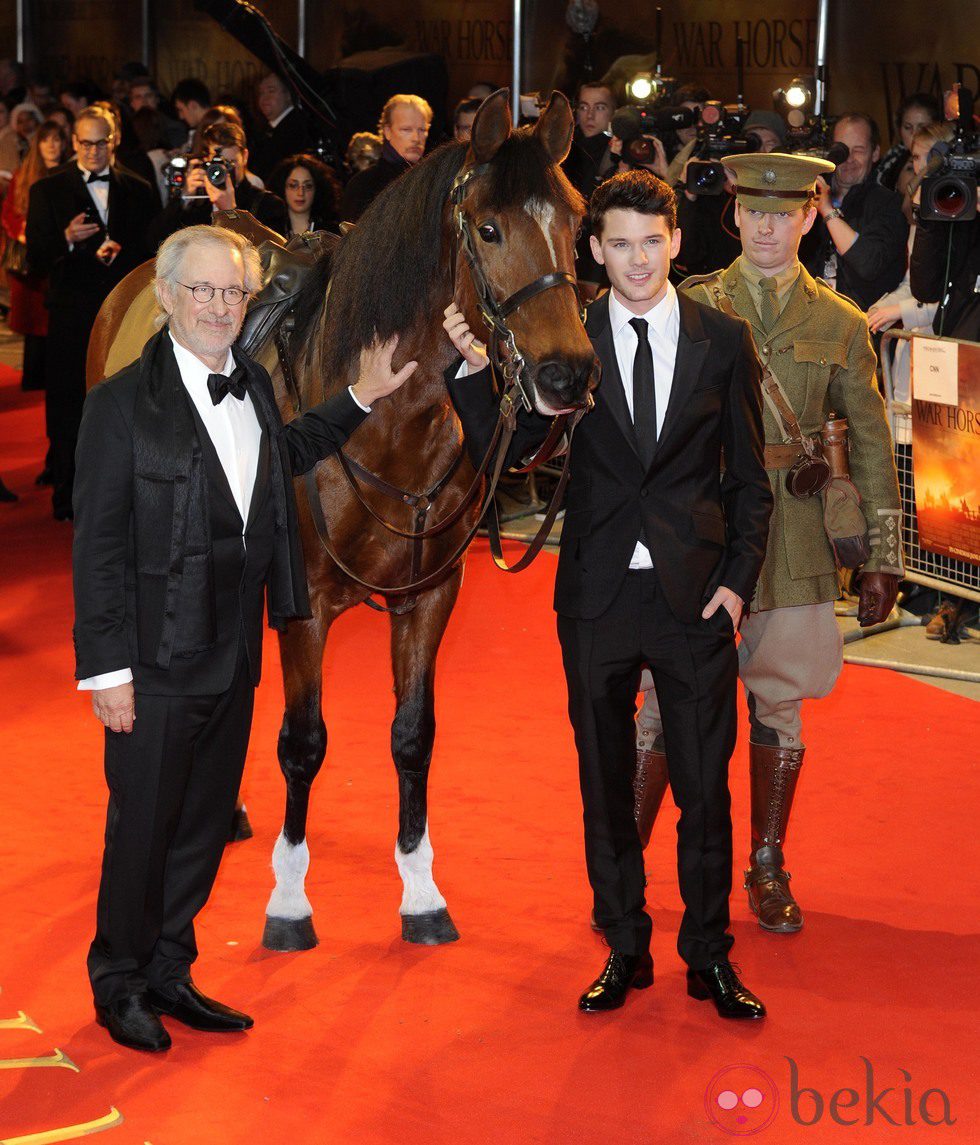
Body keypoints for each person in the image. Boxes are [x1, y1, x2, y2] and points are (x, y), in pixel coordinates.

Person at [73, 224, 418, 1053]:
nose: (221, 307)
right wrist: (106, 670)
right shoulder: (119, 406)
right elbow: (100, 547)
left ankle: (170, 965)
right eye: (203, 290)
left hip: (232, 652)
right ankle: (118, 978)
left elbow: (284, 454)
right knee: (143, 826)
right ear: (166, 297)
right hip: (151, 662)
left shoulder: (257, 384)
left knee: (201, 823)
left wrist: (361, 395)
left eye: (234, 292)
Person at [446, 169, 773, 1020]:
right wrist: (467, 372)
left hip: (696, 598)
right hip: (594, 598)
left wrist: (738, 584)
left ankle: (708, 955)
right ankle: (624, 947)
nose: (637, 259)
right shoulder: (566, 335)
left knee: (706, 789)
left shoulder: (724, 338)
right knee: (605, 783)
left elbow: (751, 482)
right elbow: (510, 456)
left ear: (677, 243)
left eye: (652, 241)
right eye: (619, 243)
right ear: (594, 250)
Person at [636, 152, 904, 935]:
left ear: (810, 217)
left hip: (795, 543)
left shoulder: (840, 323)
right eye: (755, 211)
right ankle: (624, 859)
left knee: (779, 707)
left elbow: (870, 441)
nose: (766, 225)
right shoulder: (691, 303)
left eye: (784, 213)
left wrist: (883, 554)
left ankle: (765, 863)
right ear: (735, 216)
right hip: (700, 538)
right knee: (658, 705)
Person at [25, 105, 158, 519]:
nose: (93, 150)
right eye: (85, 142)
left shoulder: (138, 188)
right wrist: (66, 239)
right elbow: (34, 260)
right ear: (74, 142)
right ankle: (67, 493)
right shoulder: (47, 189)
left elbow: (156, 251)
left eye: (101, 142)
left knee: (129, 404)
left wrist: (125, 252)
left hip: (124, 315)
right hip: (71, 313)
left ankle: (130, 495)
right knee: (68, 404)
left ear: (114, 141)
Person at [803, 113, 908, 310]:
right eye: (841, 150)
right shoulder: (808, 197)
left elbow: (868, 264)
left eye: (858, 150)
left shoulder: (889, 204)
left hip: (861, 325)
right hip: (810, 320)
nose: (848, 159)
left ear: (875, 153)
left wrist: (828, 212)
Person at [1, 119, 68, 396]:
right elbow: (9, 212)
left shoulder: (69, 173)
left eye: (57, 139)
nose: (52, 145)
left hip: (61, 254)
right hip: (31, 259)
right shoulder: (25, 174)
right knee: (33, 321)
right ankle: (33, 378)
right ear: (37, 144)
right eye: (46, 140)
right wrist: (25, 232)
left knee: (57, 320)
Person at [149, 121, 288, 244]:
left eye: (230, 164)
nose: (224, 172)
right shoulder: (197, 204)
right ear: (206, 161)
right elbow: (155, 242)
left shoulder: (269, 205)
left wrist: (231, 211)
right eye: (217, 165)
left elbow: (268, 259)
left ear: (245, 157)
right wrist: (184, 198)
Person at [339, 94, 432, 222]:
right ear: (387, 131)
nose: (416, 138)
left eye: (422, 130)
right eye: (406, 129)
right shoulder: (363, 185)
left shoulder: (433, 180)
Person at [249, 72, 312, 180]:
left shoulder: (296, 129)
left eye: (271, 91)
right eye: (261, 93)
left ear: (288, 94)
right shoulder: (267, 129)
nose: (264, 98)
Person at [267, 153, 340, 237]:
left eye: (308, 186)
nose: (300, 193)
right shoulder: (270, 230)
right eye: (293, 185)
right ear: (282, 188)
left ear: (317, 189)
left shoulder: (330, 234)